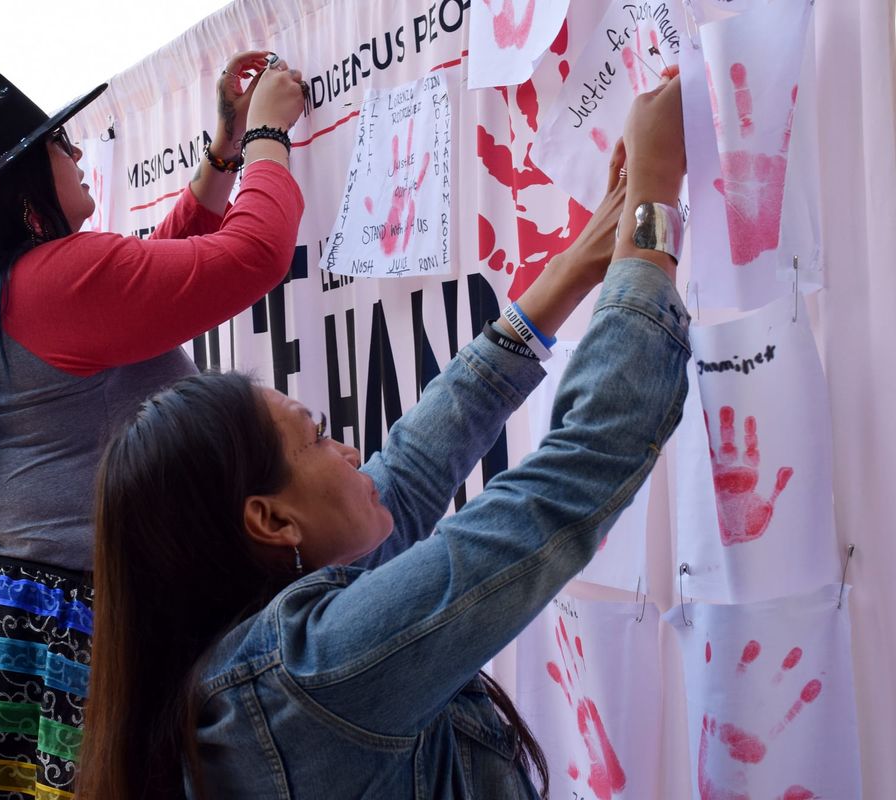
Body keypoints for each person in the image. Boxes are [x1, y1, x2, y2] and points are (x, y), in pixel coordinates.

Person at [78, 70, 690, 799]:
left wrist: (575, 267)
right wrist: (653, 204)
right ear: (268, 519)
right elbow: (570, 481)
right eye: (316, 440)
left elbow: (414, 466)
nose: (349, 452)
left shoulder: (252, 655)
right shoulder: (316, 673)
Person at [0, 53, 309, 798]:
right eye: (58, 143)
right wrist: (270, 136)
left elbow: (151, 270)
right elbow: (252, 257)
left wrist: (223, 155)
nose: (78, 153)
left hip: (1, 625)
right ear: (18, 185)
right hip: (77, 632)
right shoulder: (52, 281)